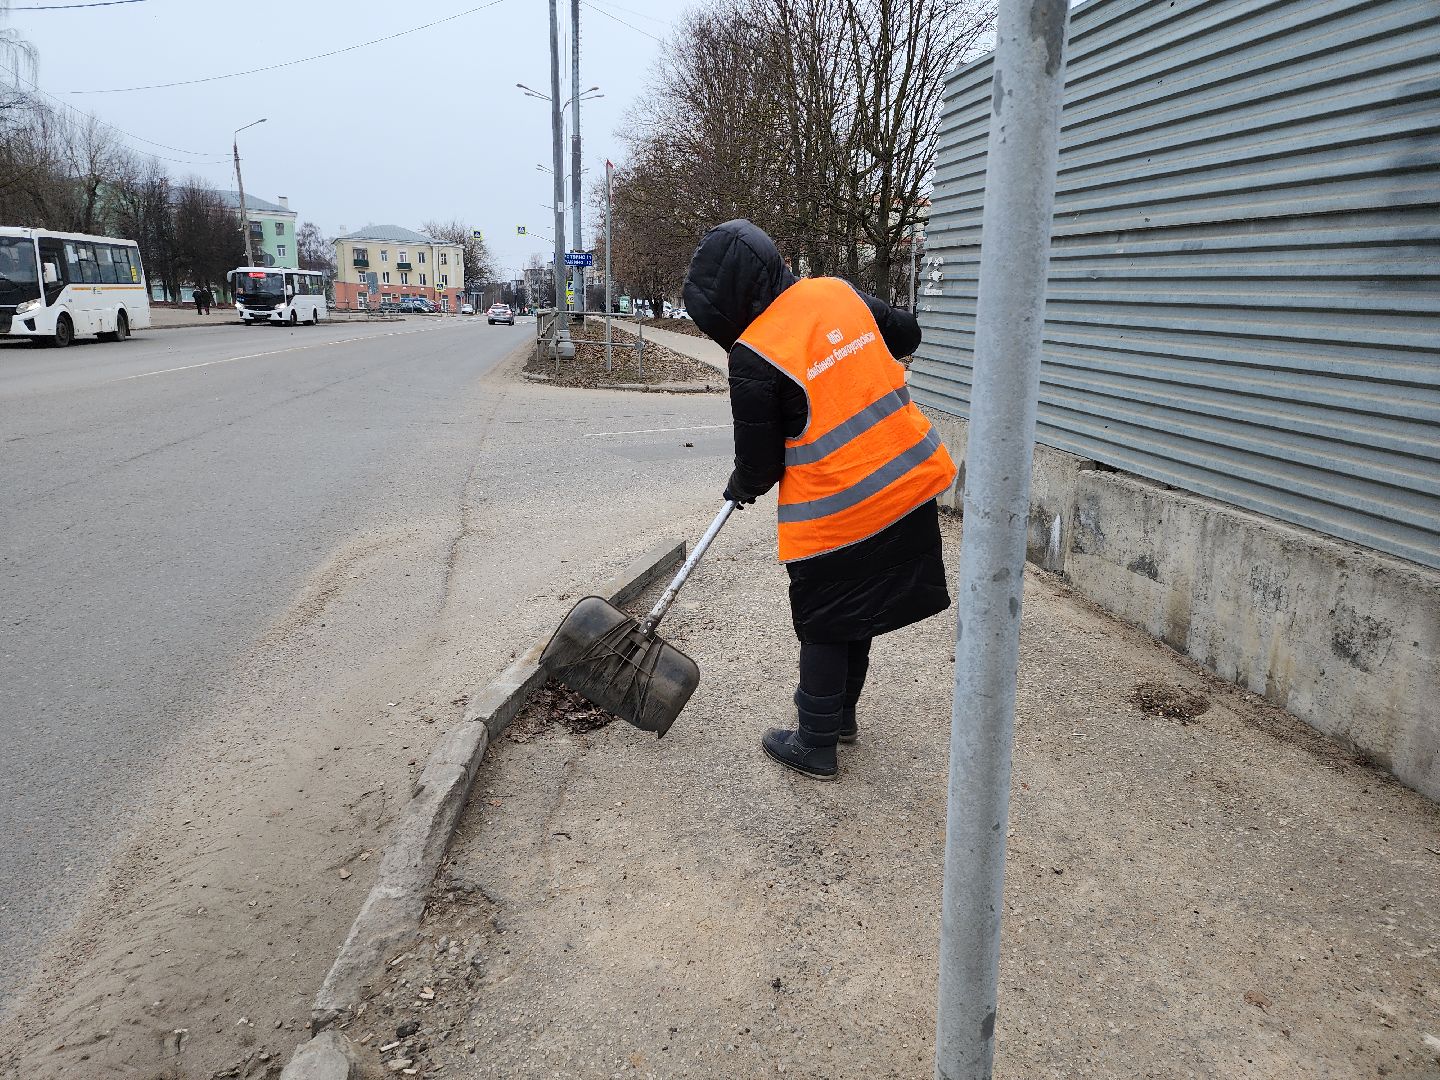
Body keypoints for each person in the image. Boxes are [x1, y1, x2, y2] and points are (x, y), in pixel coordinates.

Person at [683, 219, 957, 782]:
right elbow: (905, 335)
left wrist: (741, 487)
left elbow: (761, 466)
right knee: (860, 610)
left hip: (838, 511)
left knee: (826, 621)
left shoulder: (754, 353)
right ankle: (842, 718)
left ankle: (815, 743)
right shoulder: (836, 292)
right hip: (905, 486)